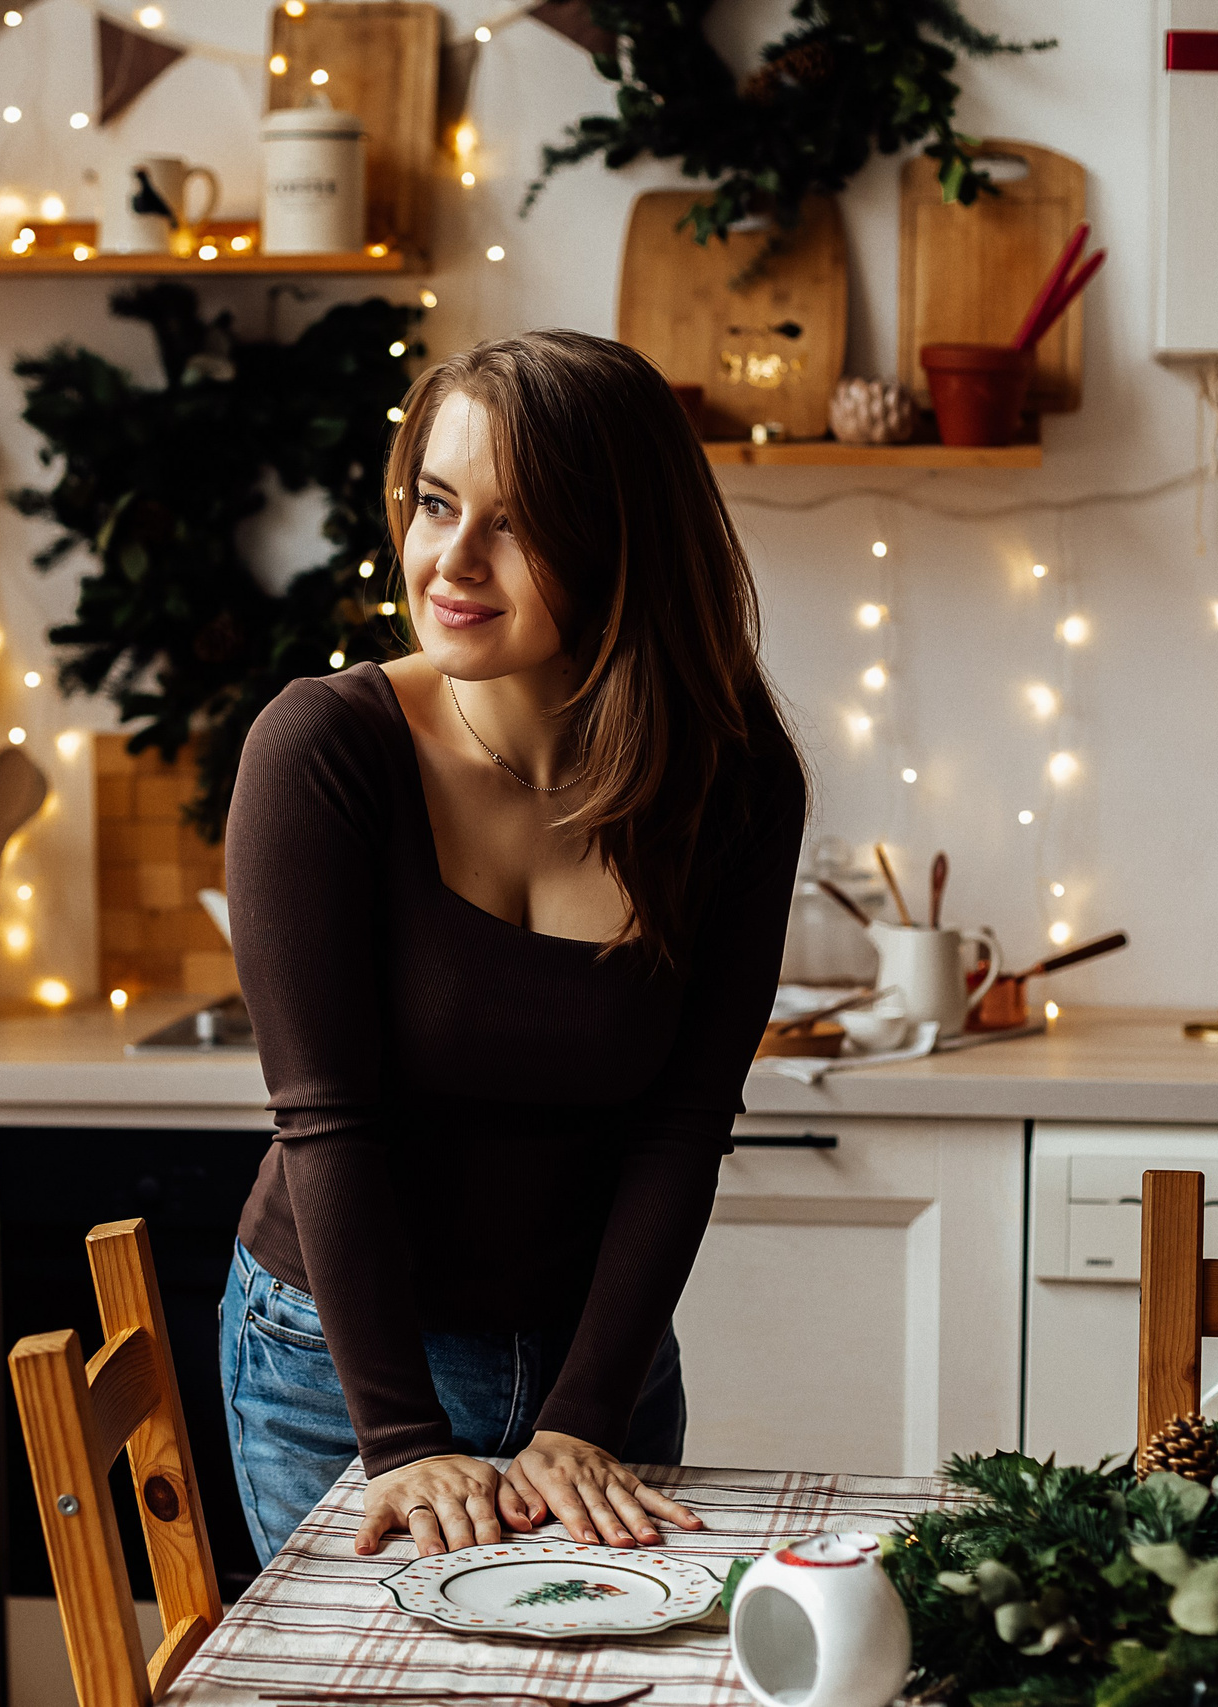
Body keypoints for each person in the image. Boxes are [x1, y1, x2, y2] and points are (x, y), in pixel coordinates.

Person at [216, 328, 807, 1565]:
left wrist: (584, 1415)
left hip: (598, 1368)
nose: (453, 561)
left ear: (622, 545)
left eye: (518, 522)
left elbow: (685, 1122)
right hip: (343, 1371)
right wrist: (401, 1439)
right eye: (437, 502)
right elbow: (327, 1120)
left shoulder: (732, 782)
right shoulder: (322, 750)